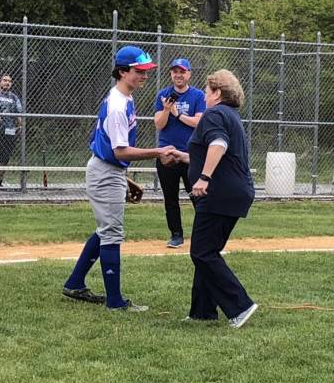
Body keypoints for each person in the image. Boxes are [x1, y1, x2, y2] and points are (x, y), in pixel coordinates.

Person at [62, 46, 175, 312]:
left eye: (146, 71)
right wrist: (158, 152)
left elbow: (113, 151)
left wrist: (124, 177)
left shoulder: (124, 98)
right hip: (105, 170)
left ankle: (75, 282)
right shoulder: (117, 106)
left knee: (106, 229)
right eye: (139, 71)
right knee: (112, 232)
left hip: (109, 170)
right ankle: (115, 301)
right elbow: (119, 150)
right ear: (123, 72)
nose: (145, 76)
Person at [165, 69, 258, 328]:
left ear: (217, 93)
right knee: (207, 251)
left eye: (207, 92)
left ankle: (241, 305)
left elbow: (218, 145)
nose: (204, 97)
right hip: (233, 193)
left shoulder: (215, 114)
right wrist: (184, 157)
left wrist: (204, 178)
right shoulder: (230, 115)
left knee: (203, 252)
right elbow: (217, 152)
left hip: (218, 193)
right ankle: (202, 311)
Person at [154, 58, 206, 248]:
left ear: (189, 74)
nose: (178, 75)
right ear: (171, 74)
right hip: (167, 154)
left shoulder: (198, 96)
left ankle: (202, 235)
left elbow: (198, 122)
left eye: (182, 71)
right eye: (175, 71)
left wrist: (178, 114)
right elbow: (159, 124)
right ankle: (176, 235)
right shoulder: (163, 95)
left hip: (191, 155)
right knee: (170, 198)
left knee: (197, 195)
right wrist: (167, 110)